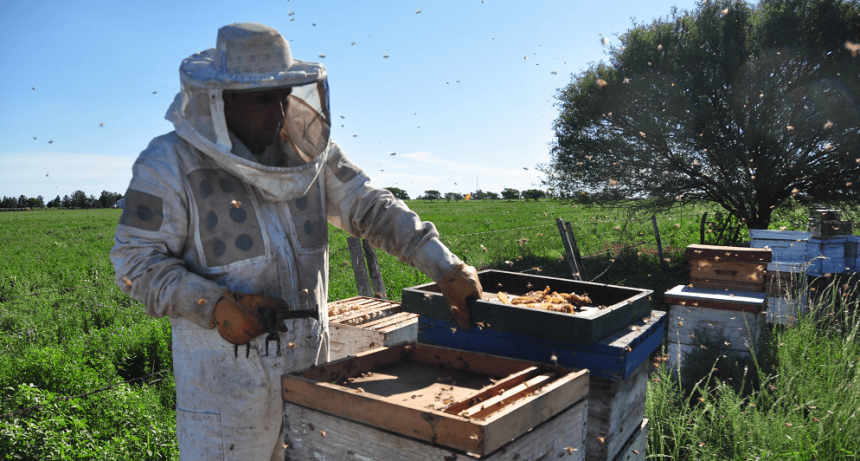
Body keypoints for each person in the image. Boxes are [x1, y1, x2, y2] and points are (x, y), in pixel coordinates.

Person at [110, 22, 482, 461]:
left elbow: (371, 207)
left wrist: (445, 266)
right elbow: (135, 264)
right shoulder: (166, 163)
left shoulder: (308, 152)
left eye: (285, 95)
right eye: (264, 99)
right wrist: (210, 304)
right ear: (222, 100)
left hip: (311, 372)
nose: (279, 111)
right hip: (224, 395)